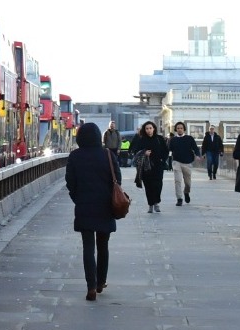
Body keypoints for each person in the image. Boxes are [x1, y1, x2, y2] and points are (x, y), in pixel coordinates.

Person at [66, 121, 120, 301]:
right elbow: (117, 179)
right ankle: (100, 282)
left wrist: (78, 198)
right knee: (103, 246)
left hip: (84, 205)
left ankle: (90, 286)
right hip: (105, 206)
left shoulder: (75, 156)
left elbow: (70, 182)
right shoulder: (107, 154)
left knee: (88, 247)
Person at [130, 120, 169, 213]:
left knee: (158, 184)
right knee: (148, 186)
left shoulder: (159, 139)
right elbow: (135, 152)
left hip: (158, 165)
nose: (149, 130)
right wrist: (144, 152)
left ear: (154, 129)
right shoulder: (141, 140)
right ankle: (151, 204)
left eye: (150, 128)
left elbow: (165, 151)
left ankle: (156, 202)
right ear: (144, 130)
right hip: (145, 166)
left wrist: (163, 160)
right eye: (147, 128)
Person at [167, 122, 199, 206]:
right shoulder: (173, 140)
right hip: (176, 162)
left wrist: (198, 155)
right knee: (177, 180)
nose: (179, 130)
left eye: (181, 128)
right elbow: (168, 150)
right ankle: (179, 199)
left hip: (187, 162)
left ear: (184, 129)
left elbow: (195, 148)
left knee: (188, 183)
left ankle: (186, 192)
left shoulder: (189, 138)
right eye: (178, 128)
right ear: (176, 129)